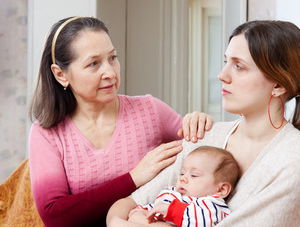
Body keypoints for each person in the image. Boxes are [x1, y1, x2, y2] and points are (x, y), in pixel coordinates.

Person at [106, 20, 300, 227]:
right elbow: (124, 206)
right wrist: (118, 221)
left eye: (239, 66)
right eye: (226, 62)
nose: (222, 75)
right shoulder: (205, 137)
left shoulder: (297, 159)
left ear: (278, 85)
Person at [28, 16, 213, 227]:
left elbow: (209, 158)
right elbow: (56, 216)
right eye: (93, 63)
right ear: (61, 74)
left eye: (113, 58)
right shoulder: (46, 134)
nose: (109, 72)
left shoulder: (151, 110)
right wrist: (134, 178)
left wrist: (200, 124)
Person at [128, 146, 239, 227]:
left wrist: (170, 210)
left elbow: (204, 221)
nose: (182, 179)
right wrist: (143, 211)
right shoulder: (171, 193)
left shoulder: (212, 205)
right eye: (182, 173)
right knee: (136, 215)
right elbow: (155, 208)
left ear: (221, 189)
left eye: (194, 175)